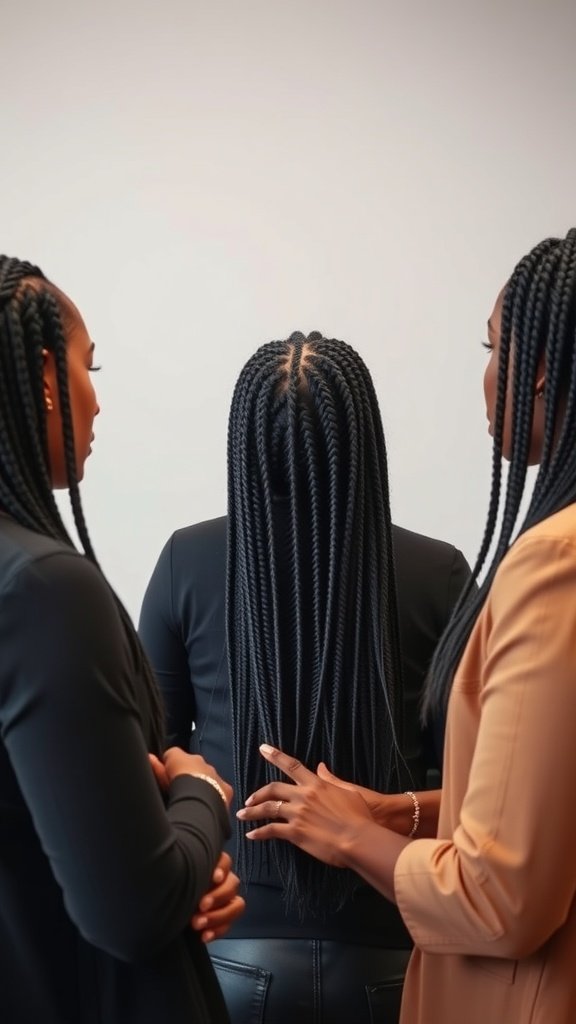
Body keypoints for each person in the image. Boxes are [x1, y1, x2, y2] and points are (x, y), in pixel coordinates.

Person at [238, 231, 576, 1024]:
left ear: (540, 373)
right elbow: (541, 807)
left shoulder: (554, 563)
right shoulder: (456, 567)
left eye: (494, 351)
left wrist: (353, 838)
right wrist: (401, 812)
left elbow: (501, 900)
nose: (485, 380)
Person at [139, 332, 471, 1023]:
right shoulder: (438, 573)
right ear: (364, 442)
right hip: (397, 960)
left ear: (244, 443)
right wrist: (386, 810)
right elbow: (479, 788)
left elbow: (146, 760)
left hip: (233, 954)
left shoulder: (185, 561)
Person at [0, 255, 245, 1024]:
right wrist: (198, 792)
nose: (96, 403)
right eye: (87, 365)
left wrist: (175, 857)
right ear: (44, 375)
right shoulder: (43, 589)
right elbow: (133, 915)